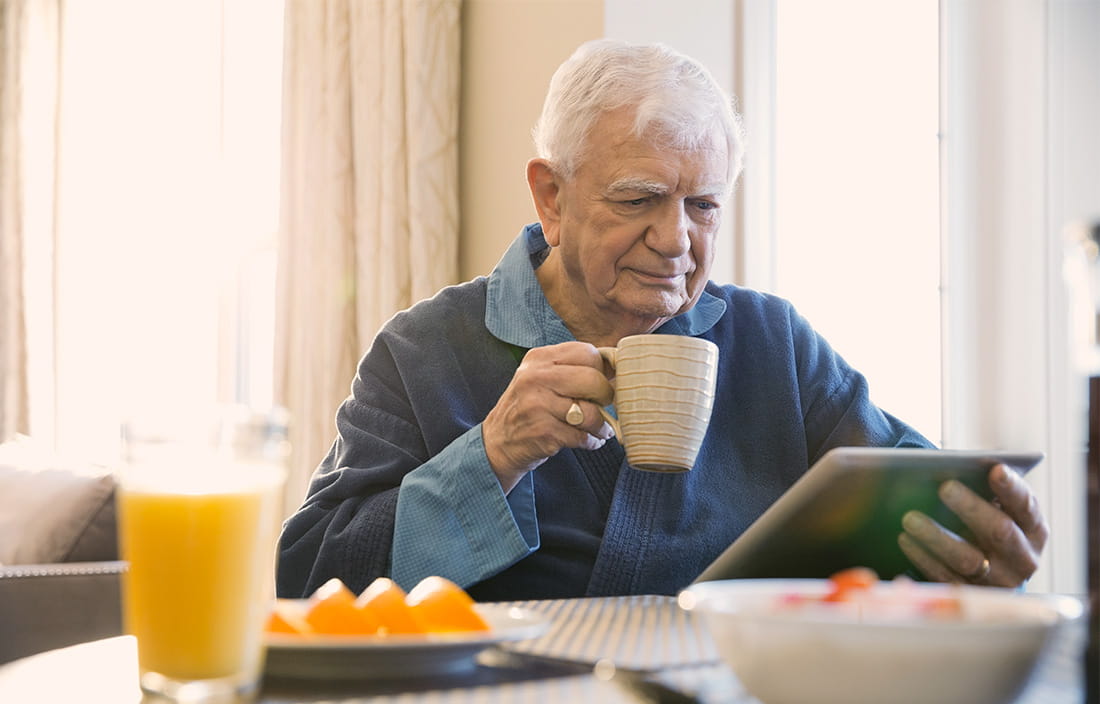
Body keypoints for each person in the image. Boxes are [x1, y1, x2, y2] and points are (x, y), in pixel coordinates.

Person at [277, 39, 1047, 601]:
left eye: (703, 205)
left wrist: (985, 545)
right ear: (551, 196)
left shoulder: (774, 346)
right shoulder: (424, 351)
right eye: (639, 198)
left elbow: (919, 499)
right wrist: (493, 455)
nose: (677, 239)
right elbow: (307, 577)